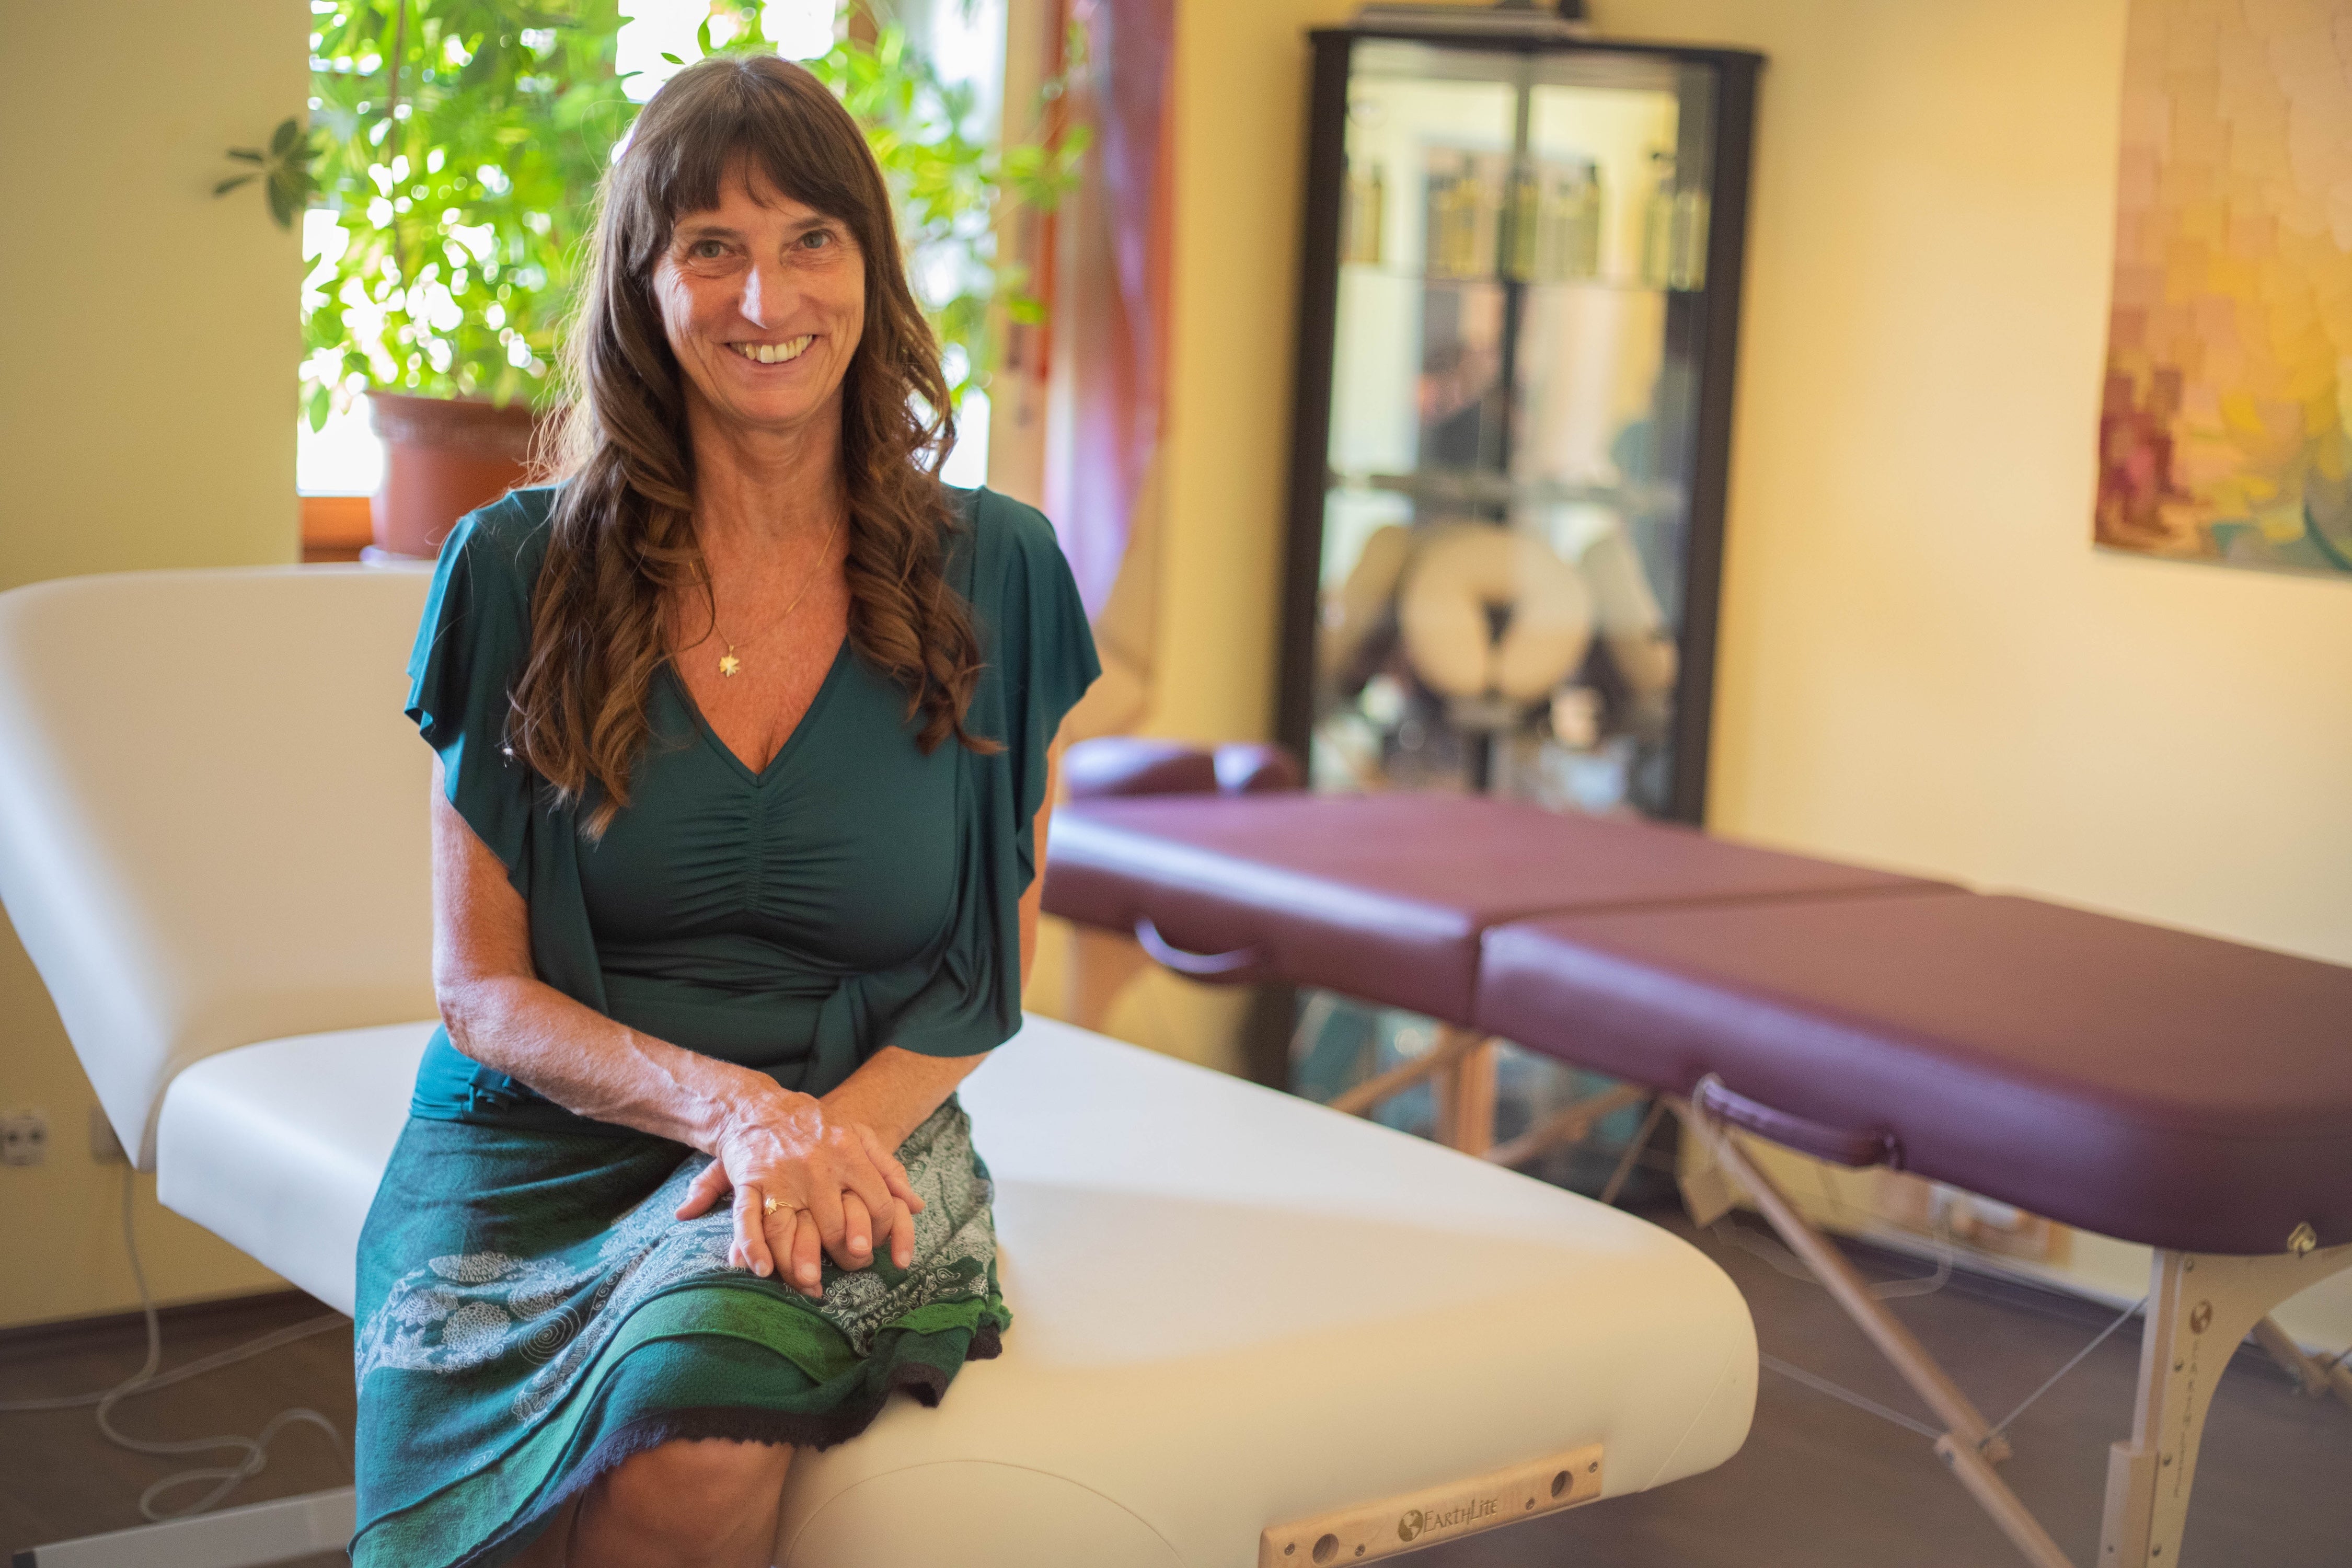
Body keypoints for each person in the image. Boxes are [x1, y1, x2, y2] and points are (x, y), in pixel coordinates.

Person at [349, 52, 1099, 1568]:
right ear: (644, 287)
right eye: (712, 248)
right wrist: (735, 1117)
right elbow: (481, 988)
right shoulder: (516, 569)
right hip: (546, 1135)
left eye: (811, 239)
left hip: (858, 1119)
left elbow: (984, 972)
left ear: (869, 270)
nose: (768, 298)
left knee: (686, 1438)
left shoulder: (999, 570)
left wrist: (808, 1142)